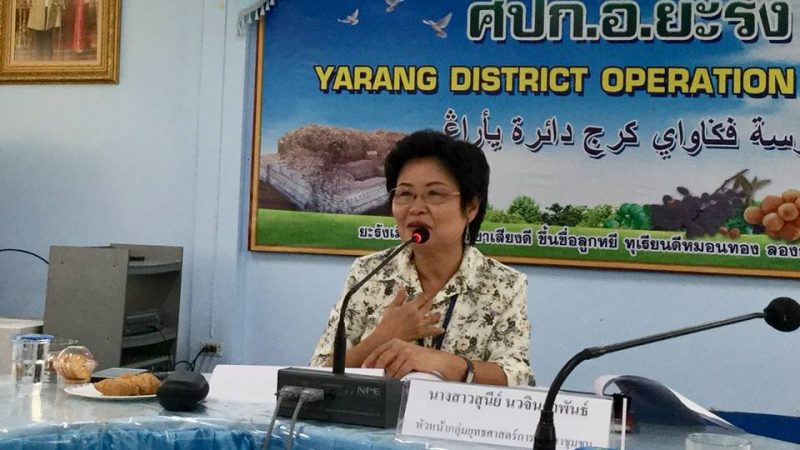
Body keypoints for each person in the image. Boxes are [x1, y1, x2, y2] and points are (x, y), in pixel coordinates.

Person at [310, 130, 533, 386]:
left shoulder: (504, 284)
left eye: (434, 194)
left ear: (471, 207)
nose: (416, 208)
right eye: (405, 194)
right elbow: (316, 373)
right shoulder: (368, 273)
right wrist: (382, 337)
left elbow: (518, 376)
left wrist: (443, 363)